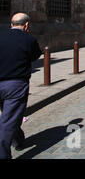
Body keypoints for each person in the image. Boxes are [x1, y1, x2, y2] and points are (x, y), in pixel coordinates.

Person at [0, 13, 42, 159]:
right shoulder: (29, 39)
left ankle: (18, 140)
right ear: (26, 25)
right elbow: (35, 56)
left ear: (11, 24)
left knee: (11, 116)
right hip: (15, 84)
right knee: (9, 119)